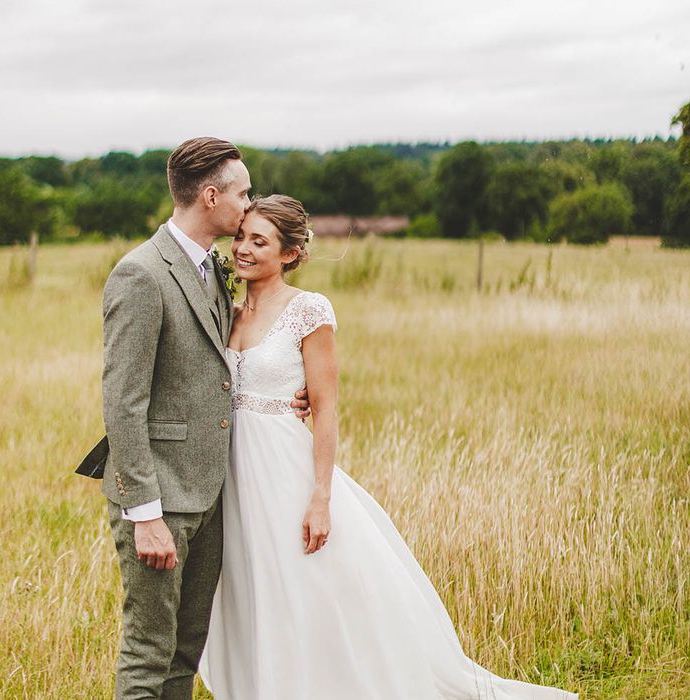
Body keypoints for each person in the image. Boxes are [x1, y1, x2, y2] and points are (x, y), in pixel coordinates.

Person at [199, 194, 577, 700]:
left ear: (290, 253)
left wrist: (320, 496)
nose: (242, 248)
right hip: (231, 476)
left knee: (305, 590)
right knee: (250, 590)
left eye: (259, 241)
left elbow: (327, 408)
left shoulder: (308, 310)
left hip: (283, 472)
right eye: (241, 236)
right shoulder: (224, 307)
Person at [75, 138, 309, 700]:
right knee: (148, 650)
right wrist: (145, 513)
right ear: (210, 196)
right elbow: (123, 401)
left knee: (186, 649)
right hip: (161, 500)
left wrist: (283, 394)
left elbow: (220, 363)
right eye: (243, 192)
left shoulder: (211, 269)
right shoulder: (140, 274)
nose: (248, 203)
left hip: (210, 495)